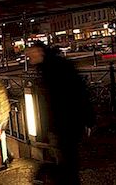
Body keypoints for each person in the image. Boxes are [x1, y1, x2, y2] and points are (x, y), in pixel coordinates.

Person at [26, 41, 95, 185]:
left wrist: (88, 118)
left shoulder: (54, 69)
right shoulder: (50, 67)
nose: (29, 58)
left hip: (65, 122)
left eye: (31, 54)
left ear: (40, 52)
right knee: (67, 160)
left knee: (67, 161)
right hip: (64, 122)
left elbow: (76, 94)